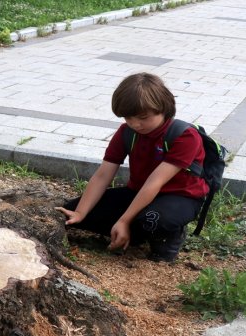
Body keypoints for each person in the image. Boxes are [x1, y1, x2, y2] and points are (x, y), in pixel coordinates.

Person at [55, 72, 209, 262]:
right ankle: (132, 232)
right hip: (138, 192)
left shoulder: (184, 136)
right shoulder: (127, 132)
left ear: (163, 108)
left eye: (143, 117)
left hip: (180, 196)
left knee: (152, 219)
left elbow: (155, 182)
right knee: (73, 211)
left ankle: (168, 236)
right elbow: (103, 175)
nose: (135, 124)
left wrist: (124, 220)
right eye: (128, 118)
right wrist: (80, 212)